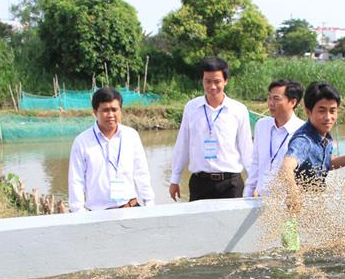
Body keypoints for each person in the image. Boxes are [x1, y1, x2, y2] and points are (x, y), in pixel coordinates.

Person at [169, 57, 252, 201]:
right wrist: (175, 179)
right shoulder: (191, 108)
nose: (212, 86)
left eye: (217, 81)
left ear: (225, 81)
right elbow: (183, 144)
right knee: (199, 223)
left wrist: (253, 181)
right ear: (202, 81)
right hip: (200, 183)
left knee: (231, 224)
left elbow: (246, 148)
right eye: (207, 81)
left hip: (230, 184)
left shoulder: (238, 110)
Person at [68, 87, 154, 212]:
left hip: (130, 208)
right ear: (94, 112)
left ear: (120, 110)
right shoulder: (82, 142)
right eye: (105, 110)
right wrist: (78, 213)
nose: (111, 115)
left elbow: (141, 173)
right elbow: (76, 181)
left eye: (114, 109)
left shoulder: (131, 136)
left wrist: (149, 203)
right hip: (98, 214)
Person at [278, 81, 345, 209]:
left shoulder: (324, 135)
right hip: (298, 208)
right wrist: (293, 192)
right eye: (322, 111)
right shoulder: (304, 140)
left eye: (332, 111)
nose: (328, 117)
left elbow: (326, 163)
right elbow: (286, 168)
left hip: (315, 205)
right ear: (308, 112)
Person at [243, 79, 305, 198]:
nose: (270, 103)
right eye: (269, 98)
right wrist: (246, 196)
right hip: (259, 200)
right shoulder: (261, 125)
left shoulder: (303, 132)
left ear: (292, 102)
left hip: (286, 202)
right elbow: (256, 163)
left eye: (276, 99)